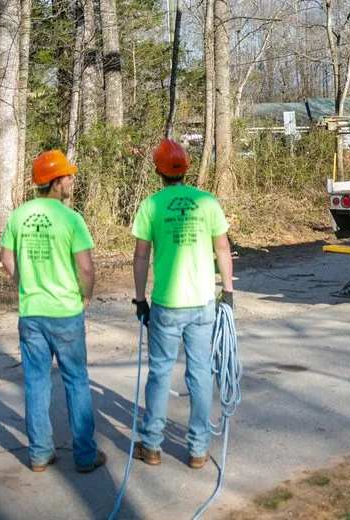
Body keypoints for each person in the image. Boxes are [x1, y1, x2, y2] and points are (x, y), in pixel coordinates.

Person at [0, 148, 106, 474]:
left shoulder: (19, 216)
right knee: (76, 380)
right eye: (68, 176)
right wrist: (85, 296)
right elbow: (86, 269)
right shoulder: (71, 219)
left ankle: (40, 453)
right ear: (55, 182)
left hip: (31, 312)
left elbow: (6, 257)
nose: (72, 179)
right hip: (65, 312)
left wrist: (24, 282)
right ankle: (85, 455)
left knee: (35, 382)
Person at [131, 138, 234, 470]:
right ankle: (198, 450)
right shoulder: (207, 203)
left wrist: (140, 300)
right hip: (203, 303)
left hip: (166, 304)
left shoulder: (151, 205)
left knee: (160, 373)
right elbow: (222, 249)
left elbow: (141, 257)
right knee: (201, 373)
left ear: (158, 170)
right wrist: (228, 292)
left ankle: (152, 446)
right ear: (186, 168)